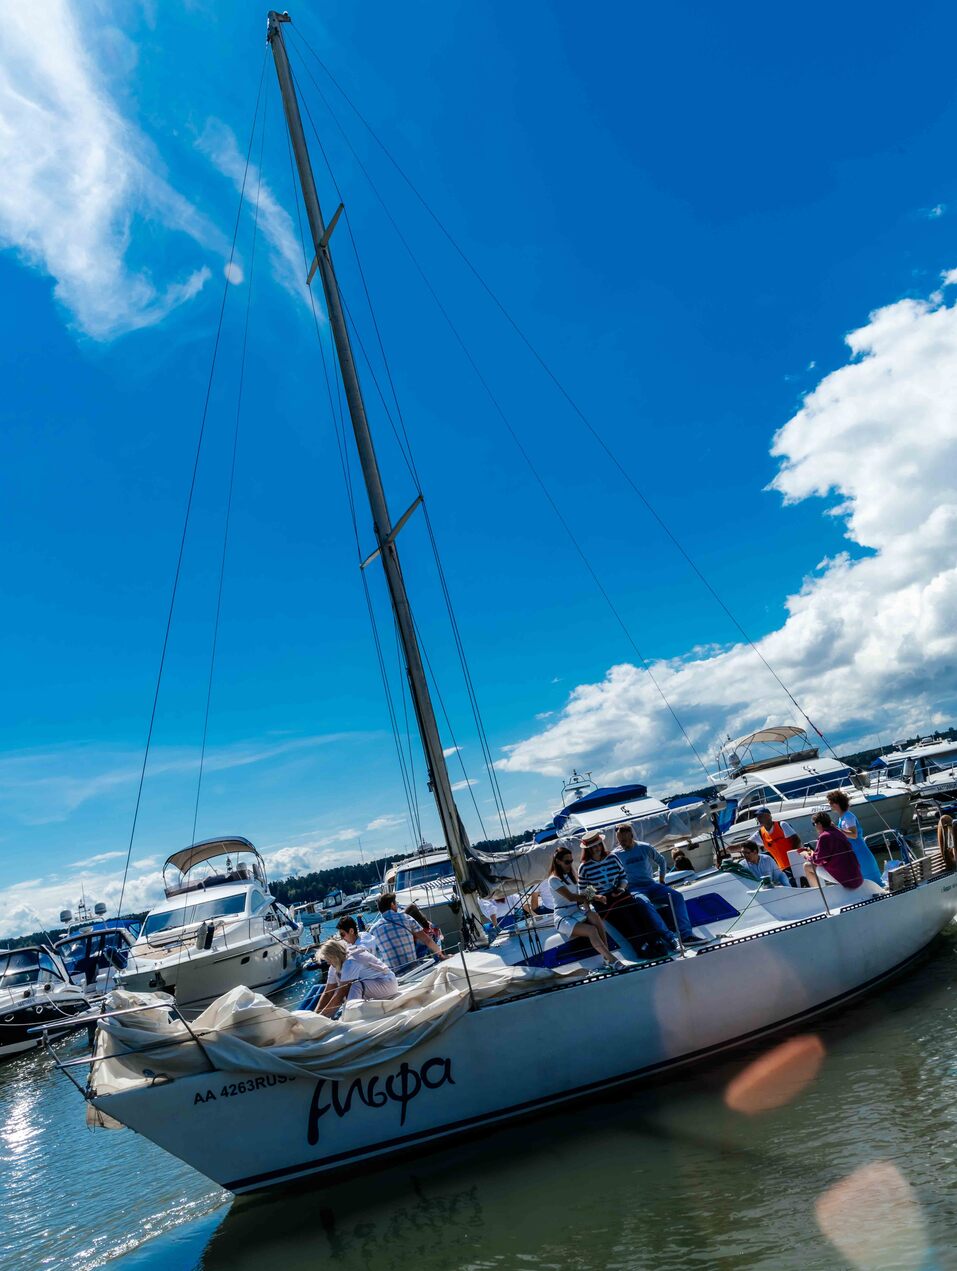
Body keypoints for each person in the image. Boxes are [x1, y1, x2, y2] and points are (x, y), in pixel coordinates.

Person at [578, 830, 677, 953]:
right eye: (593, 847)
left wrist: (620, 888)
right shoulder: (584, 867)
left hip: (619, 892)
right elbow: (583, 890)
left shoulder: (612, 858)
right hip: (603, 901)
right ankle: (640, 945)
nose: (597, 848)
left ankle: (654, 940)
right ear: (588, 849)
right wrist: (597, 896)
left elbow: (622, 876)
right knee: (624, 916)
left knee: (638, 911)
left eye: (598, 844)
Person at [612, 823, 707, 945]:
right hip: (635, 889)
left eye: (624, 840)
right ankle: (670, 938)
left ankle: (686, 935)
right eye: (620, 841)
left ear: (631, 835)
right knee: (645, 903)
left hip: (651, 885)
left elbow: (661, 861)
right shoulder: (616, 855)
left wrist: (662, 880)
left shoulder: (644, 847)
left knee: (677, 896)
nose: (622, 843)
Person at [546, 846, 622, 967]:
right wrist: (596, 897)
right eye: (567, 862)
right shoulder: (553, 880)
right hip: (563, 916)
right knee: (591, 930)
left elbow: (584, 890)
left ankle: (607, 958)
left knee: (596, 917)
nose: (570, 864)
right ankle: (611, 959)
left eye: (571, 861)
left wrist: (595, 893)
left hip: (576, 911)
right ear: (558, 861)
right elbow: (571, 897)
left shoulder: (571, 874)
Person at [313, 937, 399, 1017]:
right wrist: (316, 1016)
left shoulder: (350, 962)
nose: (327, 963)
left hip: (388, 984)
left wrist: (323, 1016)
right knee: (344, 989)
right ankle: (347, 1013)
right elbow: (328, 993)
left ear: (334, 956)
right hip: (375, 985)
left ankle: (352, 1016)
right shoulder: (334, 966)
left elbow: (341, 993)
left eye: (328, 959)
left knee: (354, 986)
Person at [369, 893, 447, 974]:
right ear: (392, 904)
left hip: (394, 976)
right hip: (414, 971)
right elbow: (427, 940)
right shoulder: (406, 918)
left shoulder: (373, 930)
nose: (397, 905)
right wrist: (441, 955)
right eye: (396, 903)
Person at [827, 790, 882, 885]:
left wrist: (836, 828)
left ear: (836, 804)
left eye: (830, 803)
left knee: (870, 879)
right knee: (864, 880)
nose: (830, 806)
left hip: (860, 853)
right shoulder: (842, 817)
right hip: (854, 853)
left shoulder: (848, 817)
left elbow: (854, 834)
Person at [803, 811, 863, 890]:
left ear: (819, 824)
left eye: (814, 824)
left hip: (846, 880)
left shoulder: (824, 836)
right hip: (857, 877)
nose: (815, 826)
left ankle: (819, 894)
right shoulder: (838, 832)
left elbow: (818, 860)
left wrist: (807, 855)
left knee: (806, 866)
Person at [748, 808, 801, 874]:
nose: (758, 819)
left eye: (760, 816)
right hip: (783, 869)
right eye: (757, 817)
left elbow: (796, 841)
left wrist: (795, 860)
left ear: (769, 816)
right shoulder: (760, 834)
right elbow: (746, 844)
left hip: (797, 864)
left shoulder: (782, 825)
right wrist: (732, 848)